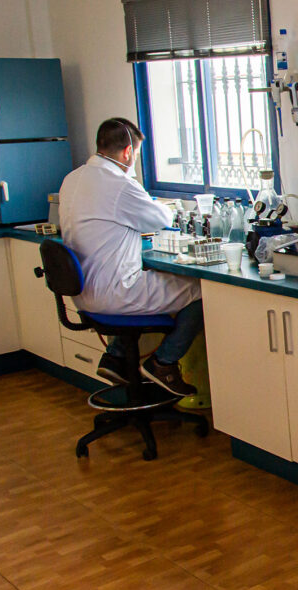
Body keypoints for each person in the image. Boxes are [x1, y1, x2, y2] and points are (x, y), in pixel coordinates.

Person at [59, 117, 200, 396]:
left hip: (83, 295)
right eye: (134, 155)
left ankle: (116, 357)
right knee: (200, 291)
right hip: (113, 294)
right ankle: (164, 363)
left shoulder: (72, 178)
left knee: (161, 283)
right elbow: (159, 218)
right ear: (128, 153)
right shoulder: (118, 183)